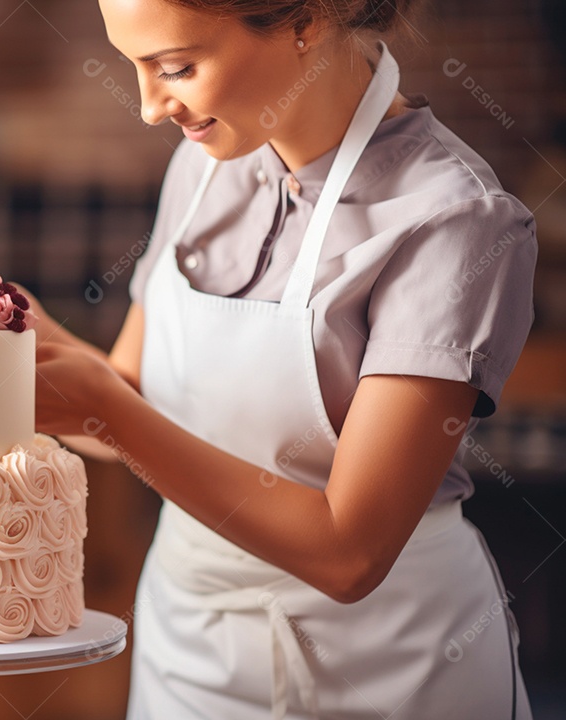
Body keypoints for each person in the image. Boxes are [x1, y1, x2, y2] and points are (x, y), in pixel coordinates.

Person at [28, 0, 537, 717]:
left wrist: (105, 413)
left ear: (307, 20)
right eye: (131, 66)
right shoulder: (201, 168)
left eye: (175, 67)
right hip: (190, 651)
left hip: (391, 664)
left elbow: (349, 553)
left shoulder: (452, 219)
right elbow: (133, 402)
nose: (147, 107)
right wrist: (20, 340)